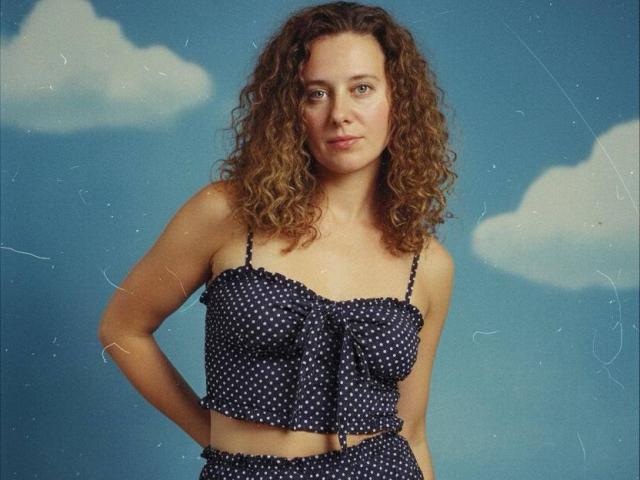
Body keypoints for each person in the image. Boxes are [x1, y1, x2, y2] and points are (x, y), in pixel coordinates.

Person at [98, 1, 456, 479]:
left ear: (399, 101)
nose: (340, 114)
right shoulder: (226, 212)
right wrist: (217, 441)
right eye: (316, 94)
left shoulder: (427, 264)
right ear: (290, 110)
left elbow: (411, 432)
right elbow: (122, 328)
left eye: (362, 88)